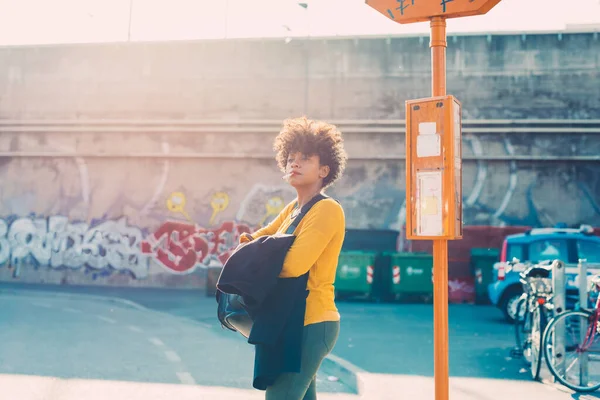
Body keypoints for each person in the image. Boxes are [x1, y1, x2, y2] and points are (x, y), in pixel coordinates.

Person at [239, 116, 348, 400]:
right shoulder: (293, 209)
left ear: (325, 169)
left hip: (311, 322)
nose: (294, 164)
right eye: (290, 158)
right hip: (290, 320)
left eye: (304, 158)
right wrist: (251, 249)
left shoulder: (327, 209)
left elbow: (293, 265)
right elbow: (257, 238)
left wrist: (255, 259)